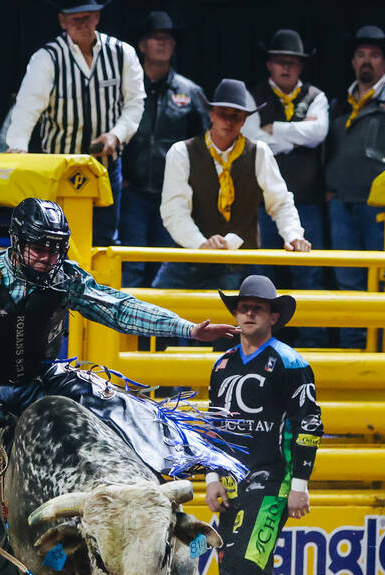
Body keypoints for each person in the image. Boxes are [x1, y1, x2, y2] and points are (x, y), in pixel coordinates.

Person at [0, 197, 241, 575]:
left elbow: (118, 309)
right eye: (39, 247)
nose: (47, 256)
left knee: (122, 412)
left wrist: (187, 330)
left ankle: (148, 487)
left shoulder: (65, 278)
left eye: (55, 247)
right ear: (18, 243)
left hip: (46, 377)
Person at [204, 274, 321, 575]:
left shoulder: (291, 363)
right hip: (235, 480)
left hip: (274, 481)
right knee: (254, 569)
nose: (248, 312)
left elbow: (308, 424)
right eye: (242, 306)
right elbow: (215, 425)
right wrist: (212, 477)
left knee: (240, 564)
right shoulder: (223, 363)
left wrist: (299, 486)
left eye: (257, 307)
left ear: (274, 316)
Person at [4, 0, 143, 247]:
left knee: (103, 240)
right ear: (62, 21)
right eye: (74, 18)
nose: (81, 24)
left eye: (87, 17)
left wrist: (116, 135)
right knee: (54, 239)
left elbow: (135, 103)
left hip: (105, 167)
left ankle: (99, 284)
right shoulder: (47, 58)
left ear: (98, 17)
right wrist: (18, 149)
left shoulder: (122, 53)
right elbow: (27, 107)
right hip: (59, 169)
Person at [157, 79, 309, 291]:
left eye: (236, 116)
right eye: (223, 114)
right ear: (211, 114)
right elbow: (174, 211)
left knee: (234, 319)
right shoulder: (181, 152)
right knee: (154, 310)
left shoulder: (259, 152)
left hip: (237, 264)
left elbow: (281, 202)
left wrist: (293, 235)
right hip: (188, 261)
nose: (228, 121)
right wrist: (201, 244)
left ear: (244, 120)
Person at [325, 25, 385, 349]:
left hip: (382, 210)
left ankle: (383, 351)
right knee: (346, 282)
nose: (367, 61)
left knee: (382, 281)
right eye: (362, 54)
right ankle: (354, 350)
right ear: (353, 61)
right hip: (342, 204)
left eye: (375, 55)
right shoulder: (339, 104)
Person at [242, 29, 328, 347]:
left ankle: (313, 344)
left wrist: (276, 130)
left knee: (309, 276)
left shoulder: (316, 96)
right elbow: (252, 137)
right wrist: (296, 137)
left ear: (301, 66)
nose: (286, 68)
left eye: (292, 63)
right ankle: (260, 345)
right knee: (263, 273)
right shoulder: (254, 95)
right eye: (281, 62)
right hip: (264, 204)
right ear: (270, 64)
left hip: (307, 200)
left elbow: (318, 132)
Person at [118, 11, 207, 287]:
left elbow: (205, 143)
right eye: (155, 38)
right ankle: (129, 330)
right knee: (131, 263)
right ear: (142, 45)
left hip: (172, 195)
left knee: (164, 266)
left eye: (168, 38)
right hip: (131, 191)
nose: (162, 43)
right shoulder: (126, 88)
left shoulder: (190, 92)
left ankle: (161, 331)